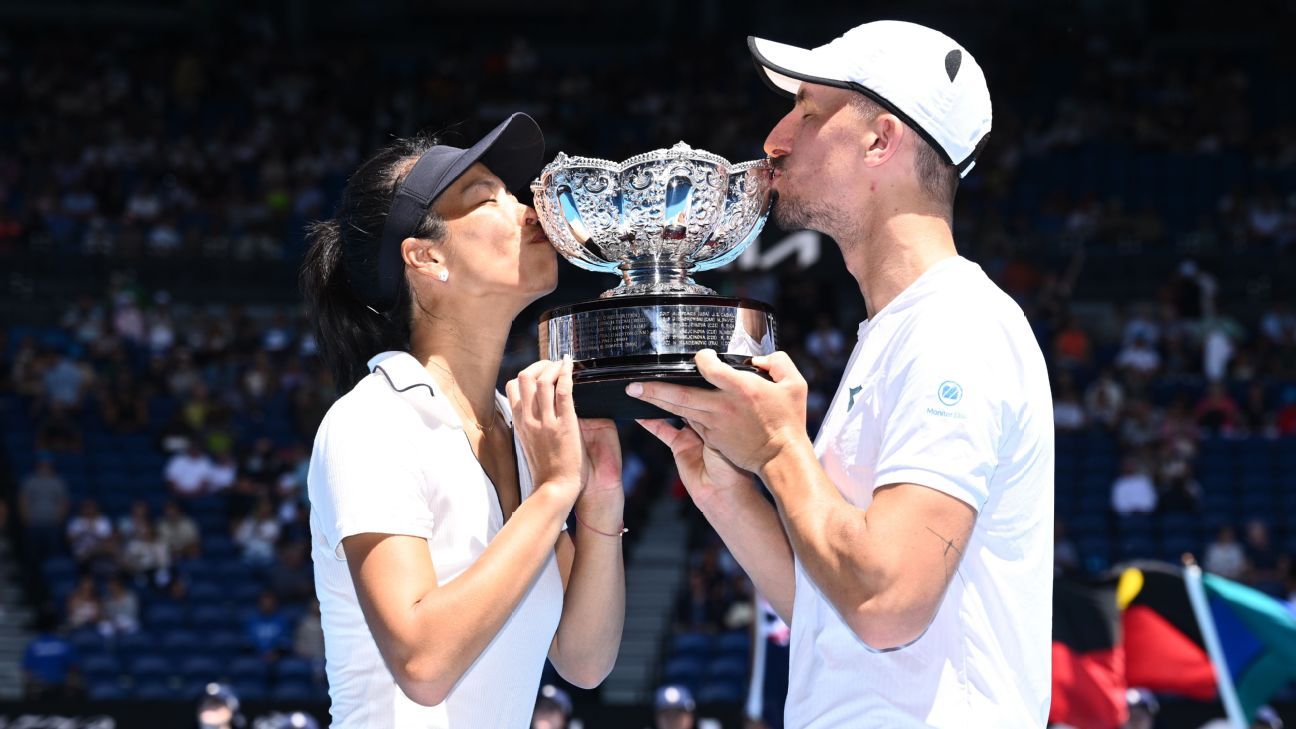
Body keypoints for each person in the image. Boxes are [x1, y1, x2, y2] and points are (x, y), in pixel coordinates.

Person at [631, 21, 1053, 727]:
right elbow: (832, 612)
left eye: (808, 112)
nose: (775, 138)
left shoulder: (956, 327)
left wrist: (779, 451)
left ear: (880, 141)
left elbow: (886, 606)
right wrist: (726, 491)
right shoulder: (901, 329)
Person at [300, 113, 625, 727]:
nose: (530, 208)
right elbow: (422, 664)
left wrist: (599, 508)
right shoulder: (372, 421)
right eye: (487, 197)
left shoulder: (518, 429)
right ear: (425, 258)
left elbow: (584, 660)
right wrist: (554, 493)